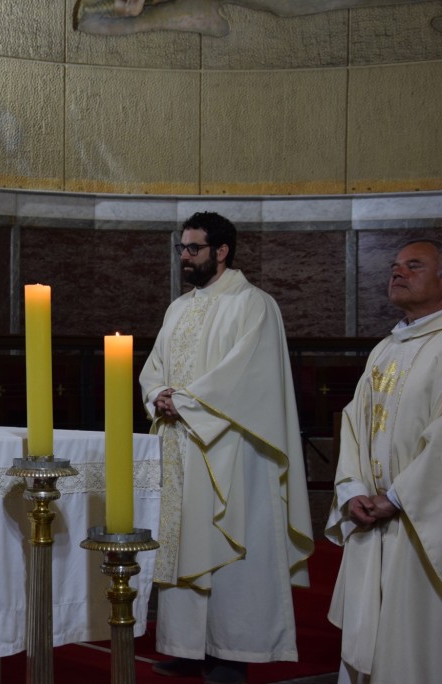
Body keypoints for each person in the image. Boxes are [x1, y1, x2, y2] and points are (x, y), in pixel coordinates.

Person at [138, 212, 313, 684]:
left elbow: (245, 376)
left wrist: (184, 402)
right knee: (183, 543)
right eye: (181, 248)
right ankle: (187, 647)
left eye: (193, 248)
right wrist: (159, 395)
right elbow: (153, 367)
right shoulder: (178, 308)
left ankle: (233, 653)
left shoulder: (254, 305)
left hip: (230, 450)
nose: (184, 256)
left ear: (222, 251)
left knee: (229, 543)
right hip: (180, 445)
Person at [325, 238, 442, 684]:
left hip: (419, 523)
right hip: (373, 520)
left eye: (414, 266)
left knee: (411, 644)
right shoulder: (385, 349)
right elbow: (353, 425)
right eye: (395, 266)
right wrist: (353, 490)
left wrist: (396, 497)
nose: (398, 272)